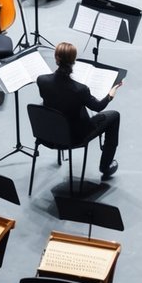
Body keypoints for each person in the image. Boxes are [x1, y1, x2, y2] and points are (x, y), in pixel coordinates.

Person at [37, 42, 122, 180]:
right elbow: (98, 107)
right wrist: (110, 95)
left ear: (56, 58)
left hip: (49, 134)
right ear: (74, 61)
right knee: (114, 116)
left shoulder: (42, 80)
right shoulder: (80, 89)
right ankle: (105, 166)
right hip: (74, 137)